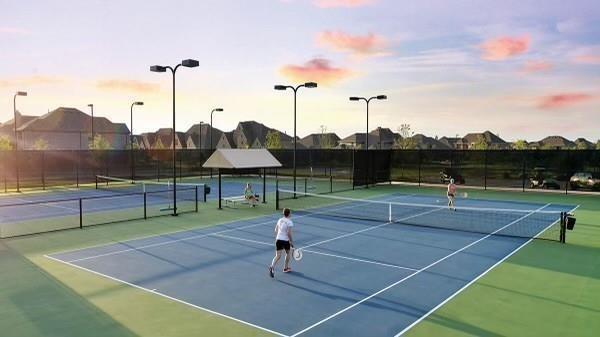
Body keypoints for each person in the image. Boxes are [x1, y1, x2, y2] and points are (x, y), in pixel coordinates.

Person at [269, 208, 294, 278]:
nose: (291, 214)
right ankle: (285, 268)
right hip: (285, 241)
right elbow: (289, 233)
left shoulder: (280, 220)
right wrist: (291, 241)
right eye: (290, 213)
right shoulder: (289, 222)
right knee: (288, 253)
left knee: (278, 255)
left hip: (278, 239)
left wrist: (279, 236)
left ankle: (272, 266)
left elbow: (275, 230)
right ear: (288, 214)